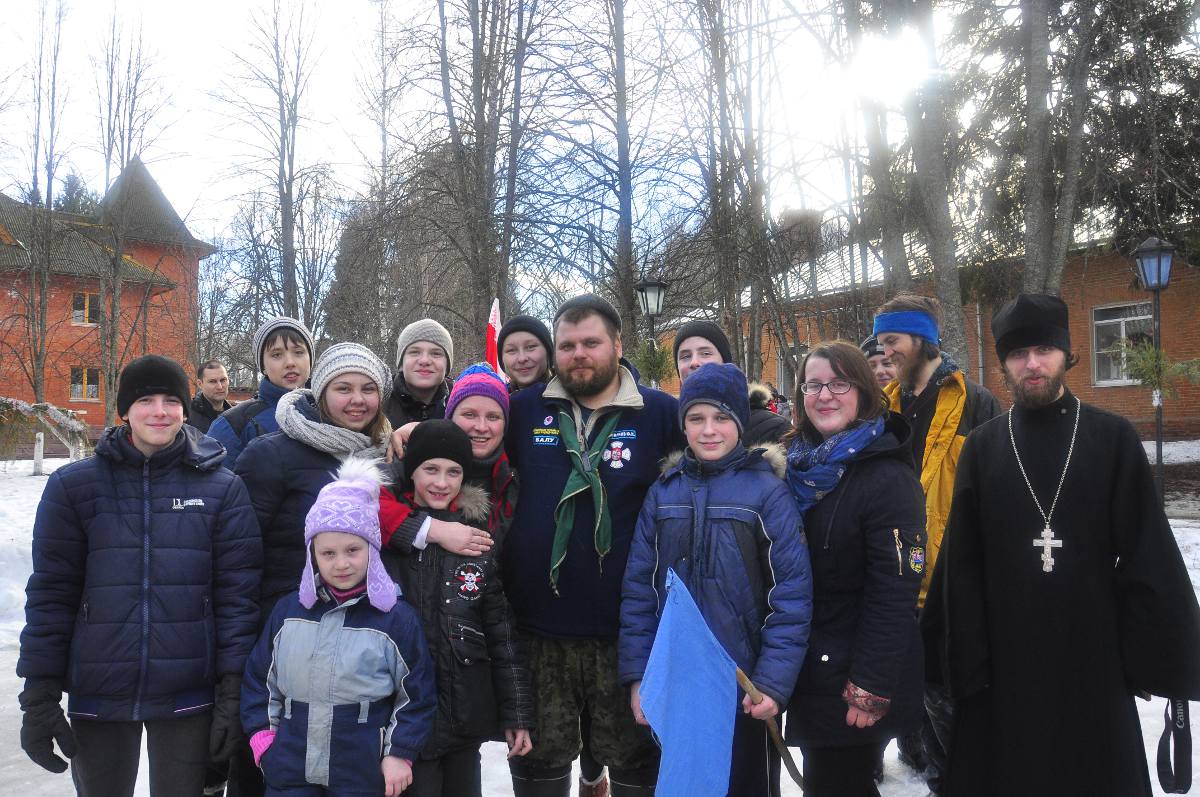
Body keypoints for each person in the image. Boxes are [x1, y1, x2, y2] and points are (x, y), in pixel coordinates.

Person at [922, 294, 1200, 796]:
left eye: (1044, 350)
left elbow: (1148, 552)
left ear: (1067, 354)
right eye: (1018, 353)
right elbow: (961, 564)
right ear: (1004, 363)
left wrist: (1167, 659)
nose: (1032, 363)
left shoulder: (1112, 438)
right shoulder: (983, 446)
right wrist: (958, 661)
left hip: (1091, 654)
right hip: (1004, 662)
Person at [17, 354, 262, 797]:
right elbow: (52, 595)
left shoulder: (222, 488)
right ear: (124, 410)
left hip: (189, 694)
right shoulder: (74, 487)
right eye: (145, 400)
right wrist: (39, 694)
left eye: (172, 400)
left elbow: (237, 599)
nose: (160, 411)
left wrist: (232, 693)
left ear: (185, 408)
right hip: (100, 691)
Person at [503, 294, 684, 797]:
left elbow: (714, 461)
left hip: (626, 632)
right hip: (538, 628)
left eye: (591, 343)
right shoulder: (522, 411)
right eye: (567, 345)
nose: (578, 354)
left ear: (617, 345)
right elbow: (465, 449)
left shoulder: (660, 414)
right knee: (538, 762)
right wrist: (413, 431)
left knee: (635, 763)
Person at [620, 362, 813, 796]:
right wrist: (639, 676)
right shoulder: (663, 492)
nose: (709, 430)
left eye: (722, 417)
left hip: (744, 687)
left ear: (740, 423)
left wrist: (772, 682)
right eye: (696, 418)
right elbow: (639, 592)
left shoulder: (768, 493)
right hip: (677, 681)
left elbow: (791, 597)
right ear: (683, 425)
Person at [230, 342, 393, 796]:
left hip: (359, 643)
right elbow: (238, 551)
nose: (357, 399)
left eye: (368, 389)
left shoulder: (384, 457)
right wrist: (246, 635)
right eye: (343, 388)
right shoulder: (272, 455)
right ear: (321, 393)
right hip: (282, 634)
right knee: (267, 763)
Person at [241, 458, 436, 797]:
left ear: (371, 549)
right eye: (328, 553)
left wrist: (399, 753)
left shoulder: (395, 618)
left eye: (353, 550)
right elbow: (260, 680)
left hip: (360, 770)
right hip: (290, 767)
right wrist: (264, 739)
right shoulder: (288, 612)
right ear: (312, 555)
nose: (341, 563)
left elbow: (416, 695)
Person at [782, 341, 926, 797]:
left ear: (863, 391)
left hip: (854, 677)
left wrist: (870, 685)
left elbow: (895, 591)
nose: (825, 395)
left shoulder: (886, 476)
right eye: (813, 385)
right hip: (812, 666)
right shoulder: (797, 467)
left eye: (839, 383)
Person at [871, 294, 999, 790]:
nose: (885, 352)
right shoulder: (883, 407)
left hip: (950, 574)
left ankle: (956, 777)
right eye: (880, 342)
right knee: (909, 685)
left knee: (947, 690)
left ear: (922, 339)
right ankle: (916, 760)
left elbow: (995, 486)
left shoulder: (976, 402)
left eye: (892, 341)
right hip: (895, 570)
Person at [379, 420, 533, 796]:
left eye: (454, 472)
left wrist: (516, 711)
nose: (441, 482)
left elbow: (501, 633)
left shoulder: (475, 541)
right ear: (411, 471)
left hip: (464, 720)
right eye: (430, 469)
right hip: (405, 726)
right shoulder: (387, 541)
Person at [208, 316, 315, 468]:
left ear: (310, 359)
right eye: (276, 355)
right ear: (263, 366)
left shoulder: (332, 413)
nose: (290, 362)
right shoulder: (234, 423)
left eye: (298, 352)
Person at [673, 320, 789, 447]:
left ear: (725, 362)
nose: (694, 362)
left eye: (705, 353)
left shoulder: (774, 430)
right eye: (685, 356)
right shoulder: (668, 426)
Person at [386, 319, 454, 428]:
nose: (424, 361)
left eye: (436, 353)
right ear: (401, 362)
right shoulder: (379, 401)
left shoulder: (463, 401)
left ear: (447, 364)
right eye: (415, 352)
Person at [499, 315, 555, 391]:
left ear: (548, 352)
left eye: (530, 347)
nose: (522, 359)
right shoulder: (494, 396)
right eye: (511, 350)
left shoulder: (567, 396)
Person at [189, 359, 233, 433]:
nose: (220, 387)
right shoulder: (186, 416)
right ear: (200, 384)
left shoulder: (236, 415)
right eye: (213, 381)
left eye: (223, 380)